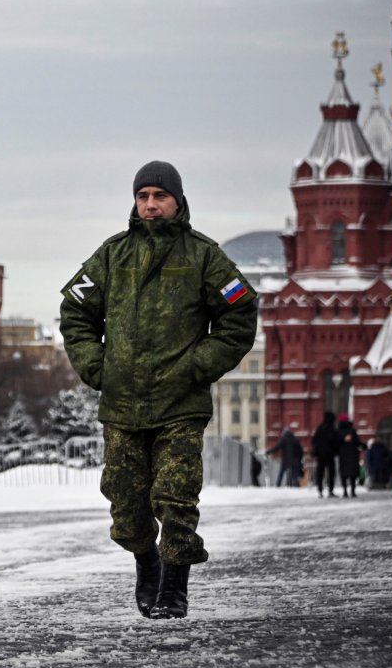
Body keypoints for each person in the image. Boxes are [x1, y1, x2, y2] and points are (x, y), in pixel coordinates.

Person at [59, 160, 257, 620]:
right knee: (125, 502)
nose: (151, 204)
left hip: (179, 404)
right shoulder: (112, 256)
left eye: (160, 196)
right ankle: (146, 562)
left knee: (176, 495)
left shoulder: (204, 257)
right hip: (122, 403)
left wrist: (199, 365)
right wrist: (97, 367)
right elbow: (74, 313)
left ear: (178, 201)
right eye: (143, 196)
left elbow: (240, 313)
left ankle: (173, 587)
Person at [311, 411, 340, 498]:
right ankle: (330, 490)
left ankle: (320, 490)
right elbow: (335, 440)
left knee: (320, 472)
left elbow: (314, 440)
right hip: (329, 454)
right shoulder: (331, 428)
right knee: (331, 473)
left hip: (320, 454)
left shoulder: (319, 428)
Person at [336, 413, 366, 498]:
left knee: (344, 474)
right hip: (353, 454)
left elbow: (336, 443)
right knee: (353, 473)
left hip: (343, 455)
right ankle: (352, 491)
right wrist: (364, 446)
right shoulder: (352, 430)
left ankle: (345, 491)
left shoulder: (339, 431)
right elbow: (357, 442)